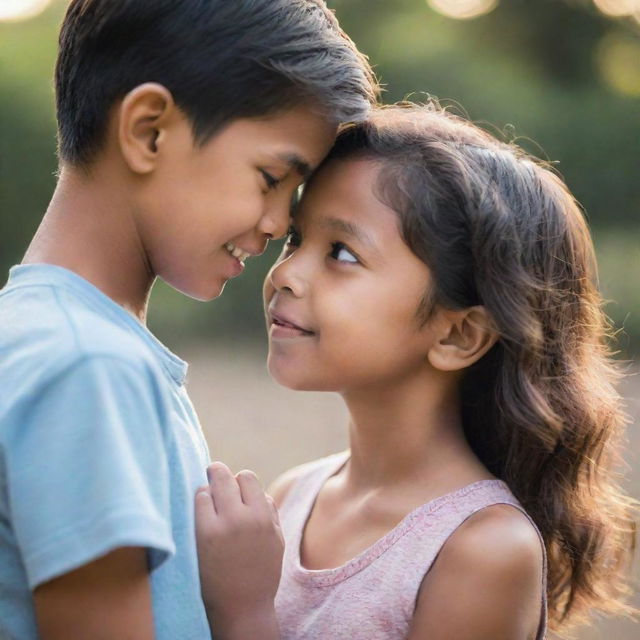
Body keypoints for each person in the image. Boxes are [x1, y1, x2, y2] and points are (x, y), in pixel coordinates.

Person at [0, 0, 377, 638]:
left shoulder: (48, 337)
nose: (280, 223)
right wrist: (242, 612)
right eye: (270, 178)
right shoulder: (89, 367)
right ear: (149, 131)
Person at [196, 103, 637, 639]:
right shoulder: (292, 496)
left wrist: (243, 613)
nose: (286, 273)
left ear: (458, 335)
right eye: (295, 239)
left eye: (342, 253)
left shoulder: (483, 550)